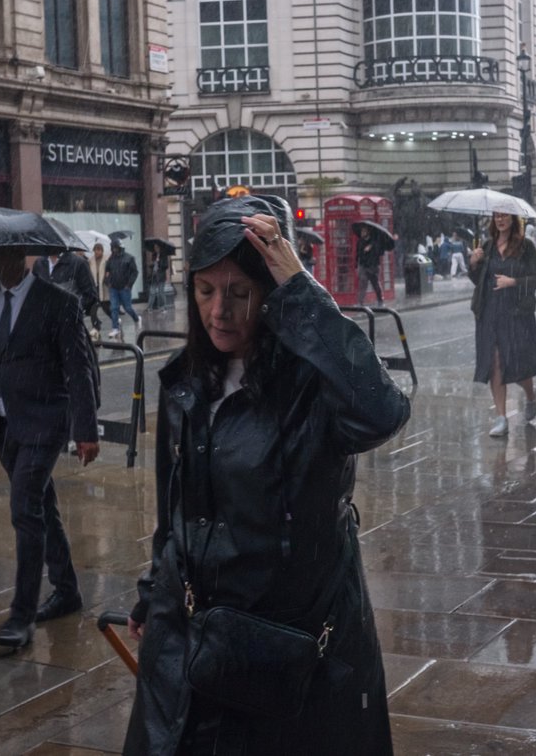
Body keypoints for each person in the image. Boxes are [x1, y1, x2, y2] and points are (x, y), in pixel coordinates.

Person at [122, 197, 408, 756]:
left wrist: (300, 285)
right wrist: (153, 588)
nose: (219, 312)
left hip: (286, 640)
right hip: (189, 634)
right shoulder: (185, 384)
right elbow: (175, 507)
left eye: (239, 293)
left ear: (272, 296)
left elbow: (382, 412)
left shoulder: (312, 385)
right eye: (205, 292)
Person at [0, 246, 99, 650]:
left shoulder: (59, 303)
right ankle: (67, 589)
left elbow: (78, 367)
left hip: (45, 421)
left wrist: (86, 429)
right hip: (5, 423)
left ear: (21, 258)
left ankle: (20, 617)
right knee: (41, 506)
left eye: (2, 258)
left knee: (24, 509)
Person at [469, 212, 536, 436]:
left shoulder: (525, 246)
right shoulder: (487, 246)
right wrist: (474, 263)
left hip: (517, 312)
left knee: (518, 366)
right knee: (495, 362)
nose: (500, 220)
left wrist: (513, 282)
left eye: (504, 216)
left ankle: (531, 395)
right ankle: (501, 418)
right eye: (496, 216)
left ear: (513, 220)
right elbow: (479, 280)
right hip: (490, 311)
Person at [34, 249, 98, 318]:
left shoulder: (78, 263)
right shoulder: (39, 264)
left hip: (70, 320)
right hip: (44, 320)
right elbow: (35, 293)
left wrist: (72, 308)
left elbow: (90, 294)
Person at [105, 239, 140, 340]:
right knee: (114, 308)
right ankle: (115, 328)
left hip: (124, 288)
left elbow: (135, 272)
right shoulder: (111, 259)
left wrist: (129, 284)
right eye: (113, 248)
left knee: (128, 308)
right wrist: (108, 282)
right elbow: (107, 271)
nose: (115, 250)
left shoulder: (129, 258)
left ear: (120, 247)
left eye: (116, 248)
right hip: (114, 288)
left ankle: (136, 318)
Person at [355, 224, 386, 306]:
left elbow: (381, 253)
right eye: (361, 231)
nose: (362, 233)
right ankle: (360, 302)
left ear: (368, 232)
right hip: (363, 265)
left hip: (373, 266)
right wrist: (356, 265)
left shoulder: (375, 242)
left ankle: (380, 300)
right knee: (362, 284)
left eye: (364, 231)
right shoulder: (360, 242)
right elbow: (357, 254)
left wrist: (372, 248)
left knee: (375, 284)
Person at [87, 243, 109, 340]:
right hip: (94, 288)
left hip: (103, 288)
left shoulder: (106, 260)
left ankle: (116, 321)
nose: (97, 252)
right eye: (95, 250)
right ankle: (96, 326)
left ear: (102, 251)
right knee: (93, 309)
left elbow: (109, 271)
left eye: (99, 250)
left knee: (106, 308)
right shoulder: (90, 260)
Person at [147, 242, 173, 312]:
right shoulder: (154, 254)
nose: (155, 249)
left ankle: (163, 307)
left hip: (161, 276)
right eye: (155, 248)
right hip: (154, 276)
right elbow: (152, 264)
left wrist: (159, 262)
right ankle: (149, 307)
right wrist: (152, 264)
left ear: (160, 248)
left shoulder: (164, 255)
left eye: (157, 247)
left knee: (161, 292)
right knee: (152, 292)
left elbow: (166, 266)